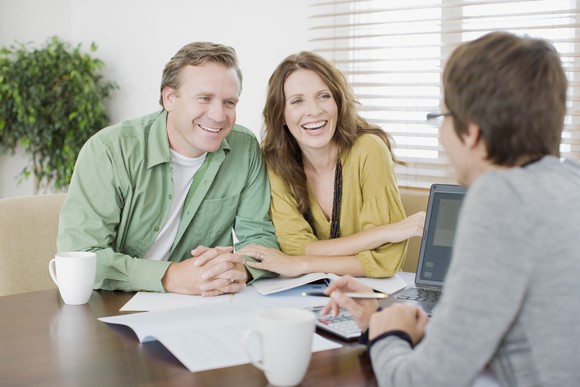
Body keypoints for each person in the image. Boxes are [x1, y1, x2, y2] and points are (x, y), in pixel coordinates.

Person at [322, 31, 580, 386]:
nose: (441, 134)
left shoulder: (500, 196)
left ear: (471, 132)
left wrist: (386, 336)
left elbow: (420, 381)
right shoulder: (570, 180)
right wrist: (380, 321)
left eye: (443, 116)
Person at [57, 42, 279, 296]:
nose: (219, 115)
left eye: (229, 102)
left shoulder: (245, 147)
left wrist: (241, 270)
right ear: (170, 98)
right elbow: (82, 256)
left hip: (203, 305)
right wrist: (170, 276)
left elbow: (259, 236)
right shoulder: (109, 150)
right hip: (113, 302)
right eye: (204, 98)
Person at [239, 51, 425, 278]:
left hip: (368, 296)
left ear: (338, 102)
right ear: (281, 115)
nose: (315, 110)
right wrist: (385, 232)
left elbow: (385, 261)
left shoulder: (369, 150)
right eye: (298, 101)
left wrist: (303, 264)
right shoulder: (275, 164)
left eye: (324, 96)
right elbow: (294, 248)